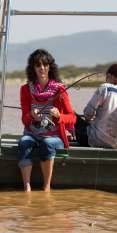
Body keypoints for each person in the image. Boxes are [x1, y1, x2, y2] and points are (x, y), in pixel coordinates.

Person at [18, 49, 76, 192]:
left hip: (55, 136)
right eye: (38, 65)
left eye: (45, 65)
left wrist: (59, 116)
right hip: (32, 133)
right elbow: (24, 120)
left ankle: (46, 187)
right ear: (33, 68)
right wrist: (31, 116)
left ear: (50, 67)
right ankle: (27, 188)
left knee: (47, 143)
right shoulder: (25, 89)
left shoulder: (60, 90)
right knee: (24, 143)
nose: (42, 68)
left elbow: (72, 118)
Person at [75, 63, 117, 148]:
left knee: (72, 115)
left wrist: (89, 119)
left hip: (97, 140)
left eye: (106, 77)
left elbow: (88, 113)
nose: (106, 79)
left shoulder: (105, 88)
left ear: (110, 75)